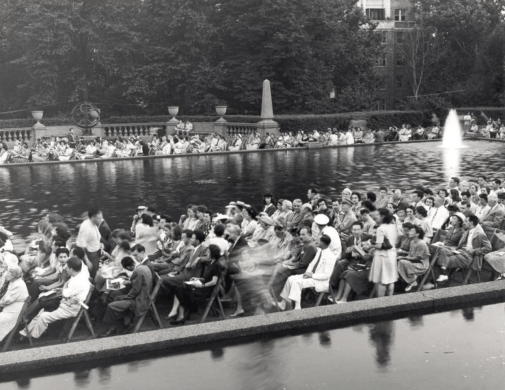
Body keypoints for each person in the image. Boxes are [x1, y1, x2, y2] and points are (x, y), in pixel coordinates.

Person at [21, 257, 90, 339]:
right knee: (42, 310)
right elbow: (67, 290)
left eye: (67, 268)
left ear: (71, 269)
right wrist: (62, 288)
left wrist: (64, 286)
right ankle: (26, 333)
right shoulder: (77, 275)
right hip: (66, 303)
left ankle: (33, 336)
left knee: (44, 316)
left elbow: (65, 294)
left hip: (69, 308)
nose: (66, 270)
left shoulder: (78, 281)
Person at [277, 234, 336, 310]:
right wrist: (307, 273)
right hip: (310, 276)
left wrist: (312, 276)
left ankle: (297, 307)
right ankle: (283, 303)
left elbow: (326, 275)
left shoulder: (330, 256)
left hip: (319, 280)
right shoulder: (320, 251)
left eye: (317, 240)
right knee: (290, 278)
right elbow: (312, 264)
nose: (315, 240)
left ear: (322, 242)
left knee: (296, 282)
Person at [99, 256, 153, 336]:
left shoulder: (137, 271)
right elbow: (141, 283)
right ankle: (117, 323)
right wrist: (130, 282)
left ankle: (112, 327)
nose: (127, 270)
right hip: (143, 296)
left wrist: (125, 297)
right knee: (116, 297)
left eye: (127, 269)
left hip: (139, 301)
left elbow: (135, 290)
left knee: (111, 306)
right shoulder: (144, 267)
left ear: (128, 267)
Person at [171, 244, 223, 325]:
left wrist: (201, 285)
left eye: (208, 252)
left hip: (206, 290)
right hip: (203, 285)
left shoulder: (216, 265)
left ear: (213, 254)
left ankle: (181, 315)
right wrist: (197, 279)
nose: (207, 254)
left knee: (182, 290)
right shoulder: (211, 263)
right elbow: (207, 278)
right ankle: (180, 315)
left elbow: (214, 281)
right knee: (180, 288)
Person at [435, 215, 491, 282]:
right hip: (459, 251)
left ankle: (434, 281)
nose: (463, 223)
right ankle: (443, 274)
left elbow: (488, 248)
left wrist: (474, 251)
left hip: (467, 257)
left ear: (471, 223)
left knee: (438, 260)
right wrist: (451, 248)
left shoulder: (480, 234)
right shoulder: (465, 232)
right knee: (442, 250)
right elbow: (460, 246)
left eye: (466, 221)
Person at [270, 227, 317, 298]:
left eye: (303, 234)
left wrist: (291, 264)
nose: (301, 236)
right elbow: (297, 257)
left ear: (310, 235)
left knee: (283, 272)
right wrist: (289, 263)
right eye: (300, 234)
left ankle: (275, 295)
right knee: (281, 268)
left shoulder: (310, 246)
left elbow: (303, 263)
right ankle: (273, 293)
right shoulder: (305, 244)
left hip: (305, 270)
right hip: (300, 267)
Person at [329, 221, 372, 299]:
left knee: (348, 267)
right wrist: (347, 252)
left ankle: (343, 292)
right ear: (351, 230)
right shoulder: (349, 239)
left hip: (363, 261)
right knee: (339, 263)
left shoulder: (368, 237)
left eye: (358, 230)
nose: (356, 232)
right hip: (351, 259)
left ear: (362, 230)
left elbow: (370, 251)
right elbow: (345, 255)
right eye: (354, 230)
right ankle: (332, 286)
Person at [364, 208, 398, 297]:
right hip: (392, 255)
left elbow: (379, 246)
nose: (375, 217)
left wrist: (370, 246)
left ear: (383, 216)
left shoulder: (381, 228)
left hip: (382, 256)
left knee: (381, 281)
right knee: (390, 280)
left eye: (377, 215)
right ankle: (390, 301)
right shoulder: (393, 226)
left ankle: (380, 303)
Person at [397, 225, 430, 291]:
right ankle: (401, 282)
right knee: (397, 259)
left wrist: (404, 258)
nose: (409, 232)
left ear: (417, 234)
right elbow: (410, 254)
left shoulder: (421, 244)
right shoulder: (412, 241)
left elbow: (417, 258)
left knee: (401, 261)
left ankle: (411, 281)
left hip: (421, 264)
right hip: (413, 261)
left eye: (412, 231)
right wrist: (402, 255)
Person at [0, 266, 29, 342]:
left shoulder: (18, 284)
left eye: (10, 273)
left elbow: (8, 301)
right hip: (10, 308)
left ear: (15, 275)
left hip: (14, 312)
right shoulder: (14, 281)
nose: (7, 274)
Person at [76, 208, 103, 278]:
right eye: (99, 218)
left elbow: (94, 238)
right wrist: (87, 261)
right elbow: (81, 247)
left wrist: (100, 244)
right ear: (93, 217)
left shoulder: (93, 223)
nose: (101, 220)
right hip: (90, 255)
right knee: (91, 274)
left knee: (95, 271)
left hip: (96, 252)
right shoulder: (86, 228)